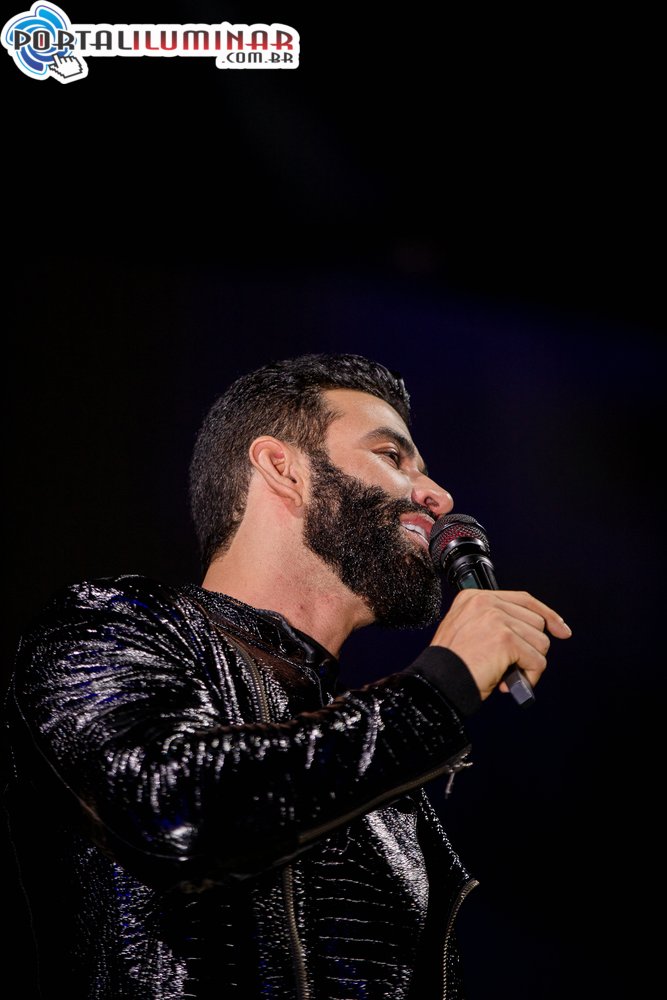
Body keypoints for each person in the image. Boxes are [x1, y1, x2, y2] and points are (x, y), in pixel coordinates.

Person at [2, 352, 571, 1000]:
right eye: (392, 455)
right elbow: (166, 811)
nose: (437, 495)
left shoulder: (385, 786)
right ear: (282, 467)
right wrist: (436, 691)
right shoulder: (110, 625)